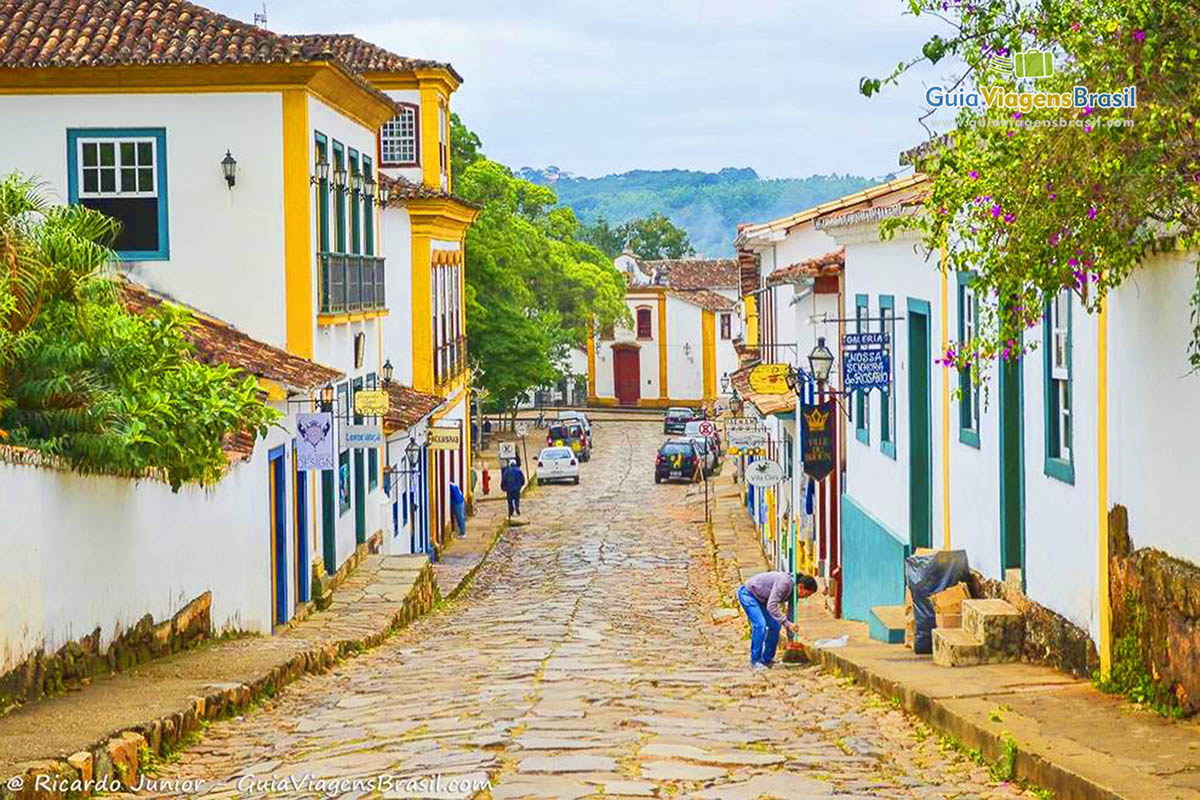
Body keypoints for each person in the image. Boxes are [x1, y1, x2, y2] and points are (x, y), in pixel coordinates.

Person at [737, 570, 819, 669]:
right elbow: (772, 606)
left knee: (775, 625)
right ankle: (755, 661)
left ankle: (767, 659)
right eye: (806, 595)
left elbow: (791, 615)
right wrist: (787, 623)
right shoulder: (784, 583)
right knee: (760, 625)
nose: (805, 598)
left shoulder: (794, 593)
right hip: (749, 594)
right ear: (800, 587)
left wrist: (791, 637)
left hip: (763, 600)